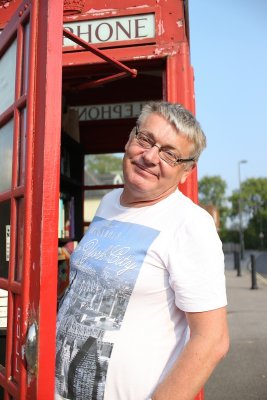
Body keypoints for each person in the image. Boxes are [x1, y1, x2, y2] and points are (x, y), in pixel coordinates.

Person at [55, 101, 229, 400]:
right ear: (130, 138)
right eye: (145, 139)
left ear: (186, 171)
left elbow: (212, 340)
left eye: (169, 154)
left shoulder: (191, 225)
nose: (149, 156)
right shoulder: (109, 202)